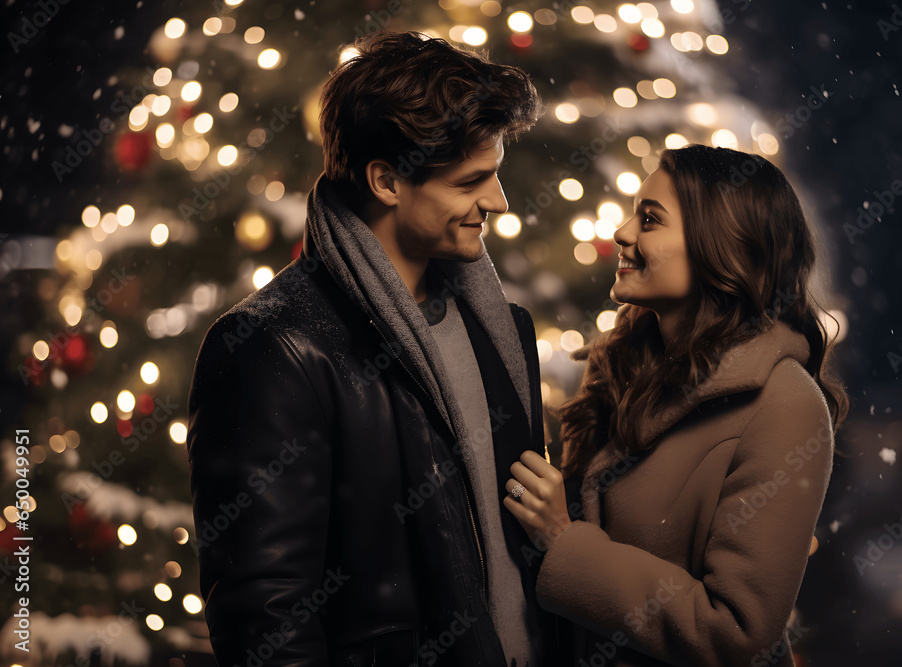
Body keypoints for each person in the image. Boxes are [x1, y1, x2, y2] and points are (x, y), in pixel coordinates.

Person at [186, 31, 566, 666]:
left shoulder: (504, 330)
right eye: (472, 181)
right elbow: (267, 617)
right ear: (387, 180)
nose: (498, 203)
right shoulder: (272, 349)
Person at [502, 144, 850, 666]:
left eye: (649, 220)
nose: (622, 233)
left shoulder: (785, 406)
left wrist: (563, 541)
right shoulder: (622, 366)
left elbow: (736, 634)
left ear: (721, 245)